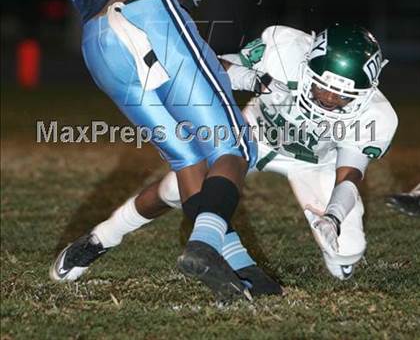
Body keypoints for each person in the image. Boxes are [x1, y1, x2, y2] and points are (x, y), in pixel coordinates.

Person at [45, 0, 272, 301]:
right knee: (233, 144)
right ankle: (204, 242)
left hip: (98, 42)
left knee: (188, 158)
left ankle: (242, 268)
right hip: (149, 16)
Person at [56, 23, 398, 282]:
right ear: (307, 64)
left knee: (346, 255)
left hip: (315, 162)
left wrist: (333, 216)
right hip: (254, 135)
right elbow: (212, 68)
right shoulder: (285, 50)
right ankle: (102, 237)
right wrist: (252, 78)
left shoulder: (377, 116)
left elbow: (349, 174)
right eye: (323, 87)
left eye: (342, 96)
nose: (330, 100)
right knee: (176, 187)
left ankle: (335, 238)